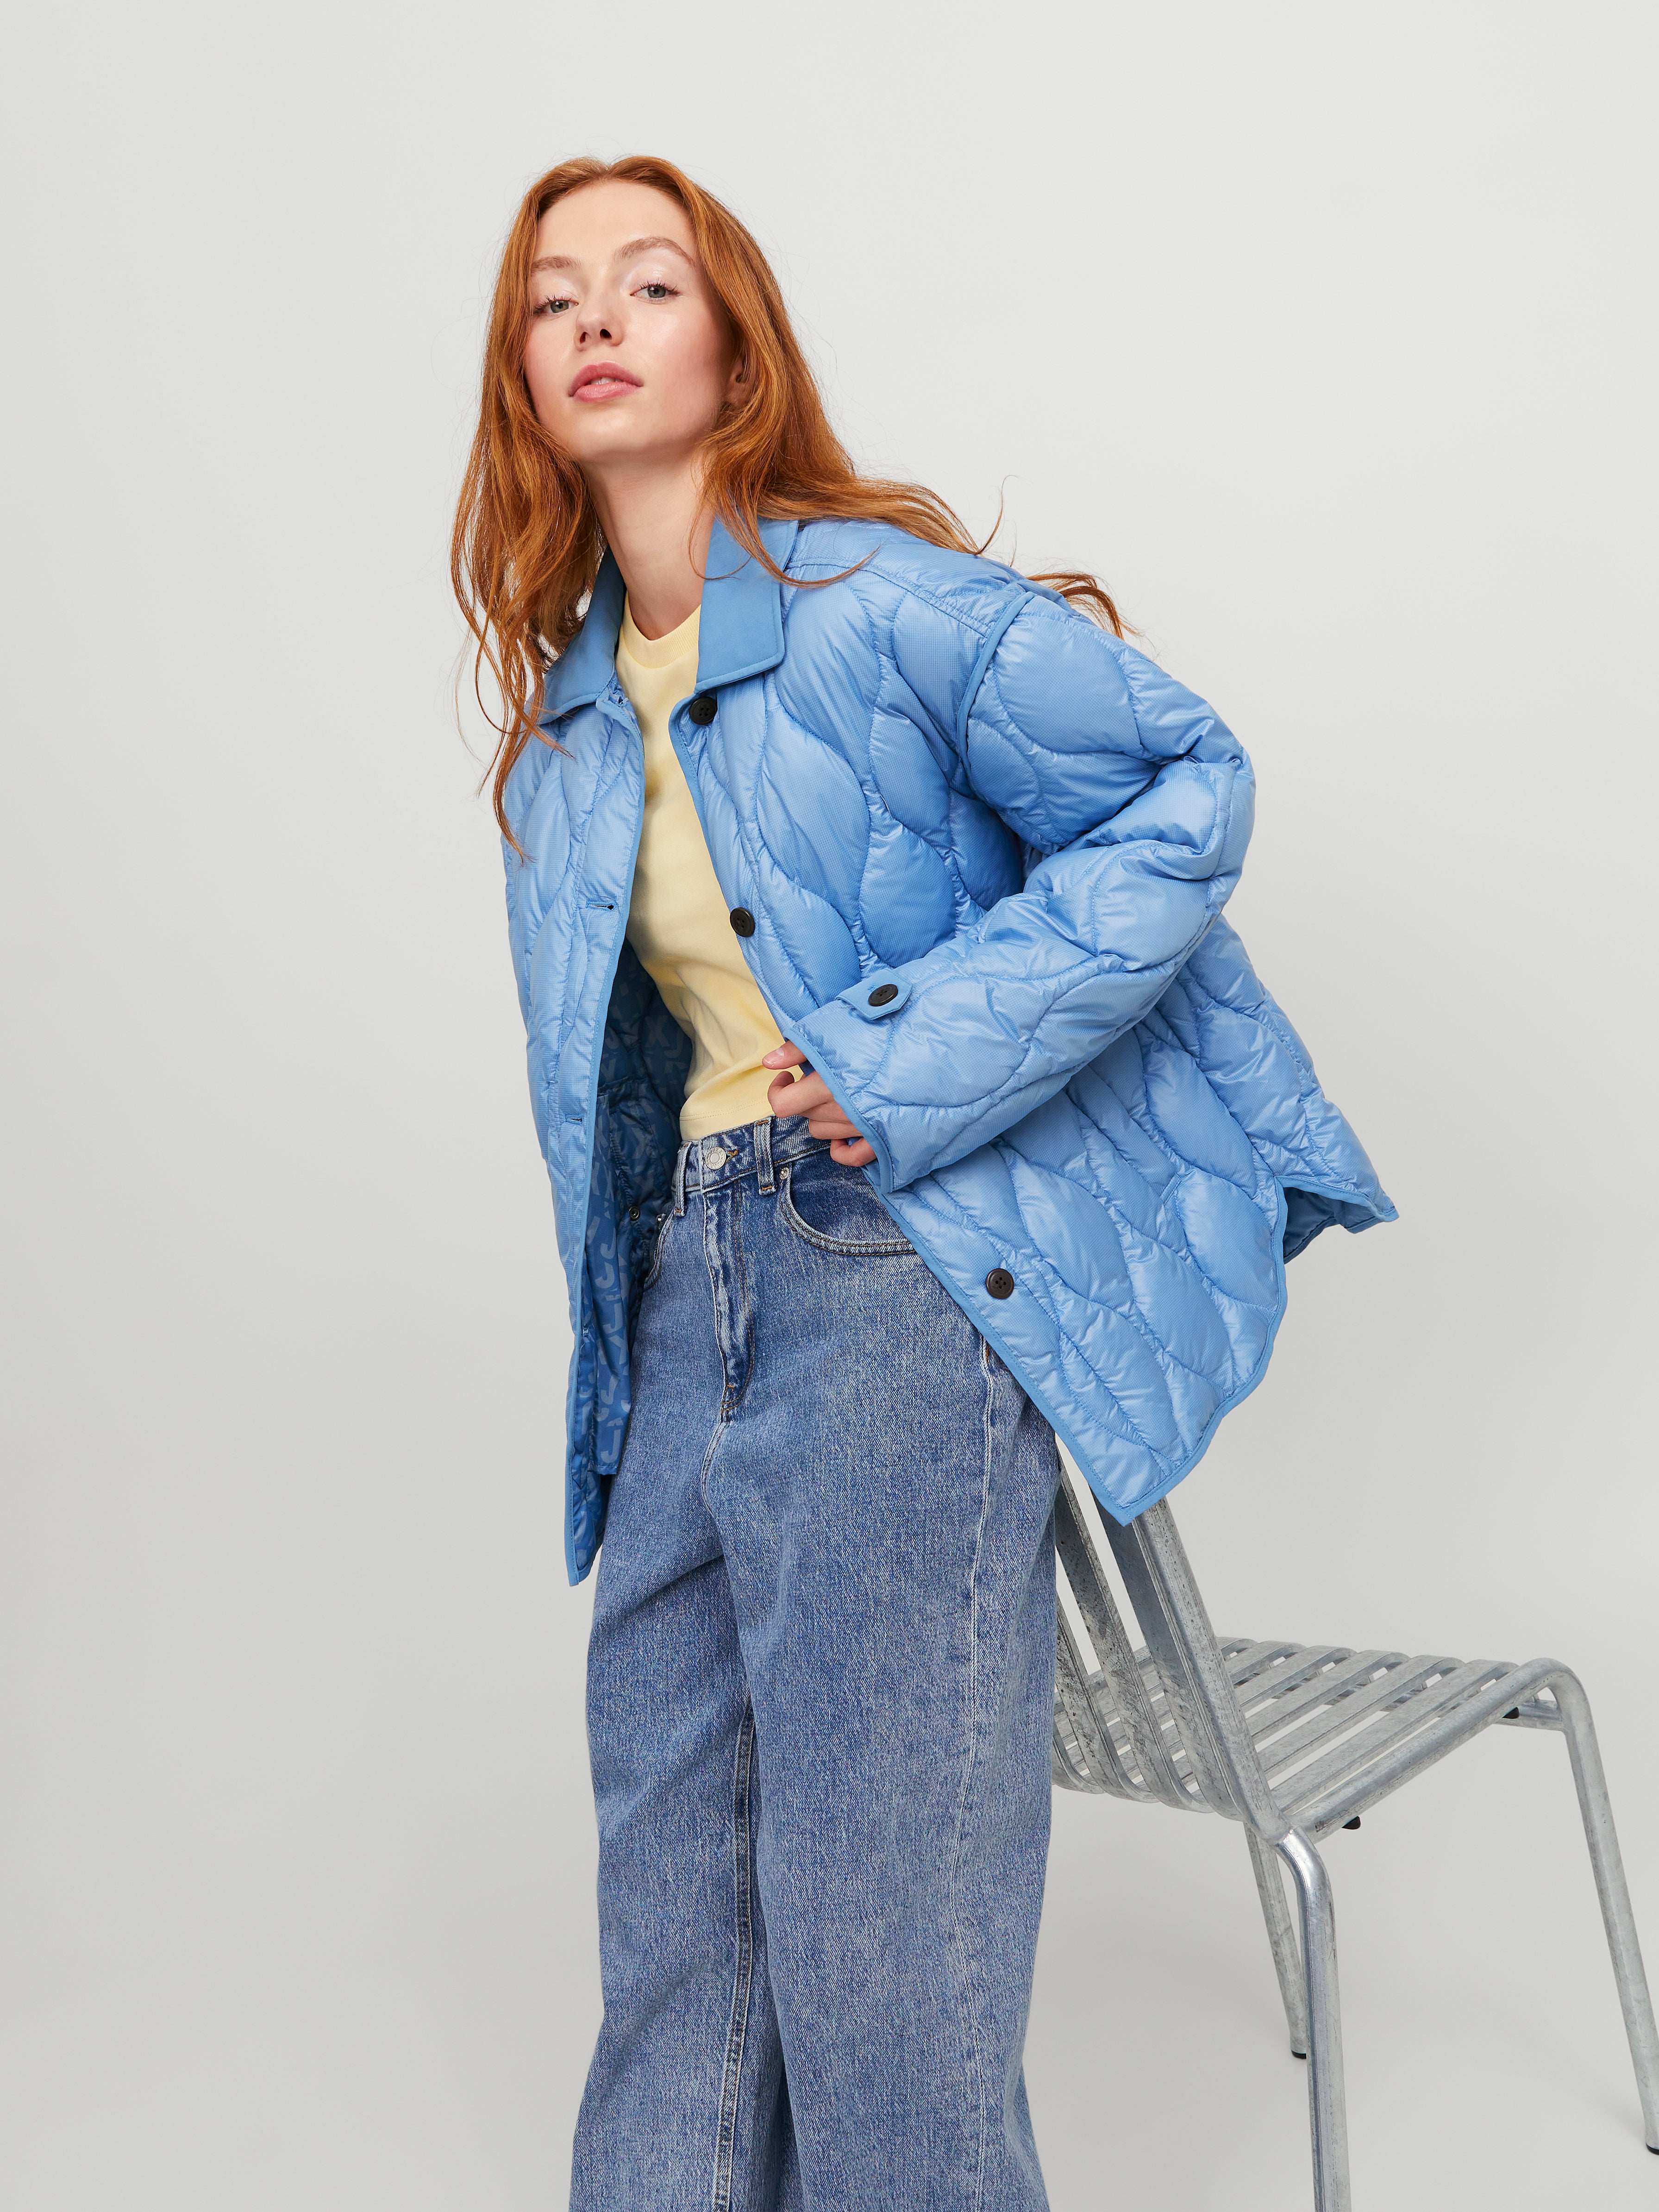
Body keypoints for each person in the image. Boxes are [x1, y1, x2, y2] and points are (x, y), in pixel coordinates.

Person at [452, 152, 1393, 2212]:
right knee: (675, 1928)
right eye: (552, 297)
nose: (595, 318)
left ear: (736, 353)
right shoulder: (567, 733)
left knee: (883, 1946)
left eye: (649, 284)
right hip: (676, 1310)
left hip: (885, 1275)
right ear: (523, 376)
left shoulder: (878, 610)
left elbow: (1186, 784)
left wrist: (905, 1055)